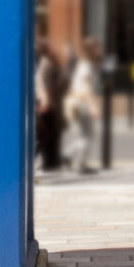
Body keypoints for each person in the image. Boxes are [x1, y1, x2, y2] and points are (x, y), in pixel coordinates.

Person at [63, 36, 100, 174]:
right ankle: (76, 162)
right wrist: (92, 106)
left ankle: (70, 156)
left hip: (75, 102)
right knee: (87, 135)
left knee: (83, 134)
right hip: (82, 103)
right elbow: (86, 87)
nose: (99, 50)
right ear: (91, 49)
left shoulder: (82, 64)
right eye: (97, 47)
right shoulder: (86, 65)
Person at [34, 40, 65, 171]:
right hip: (48, 103)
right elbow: (43, 85)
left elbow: (44, 85)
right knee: (45, 134)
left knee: (48, 133)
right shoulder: (45, 64)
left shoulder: (43, 64)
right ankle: (48, 161)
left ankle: (50, 161)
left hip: (49, 103)